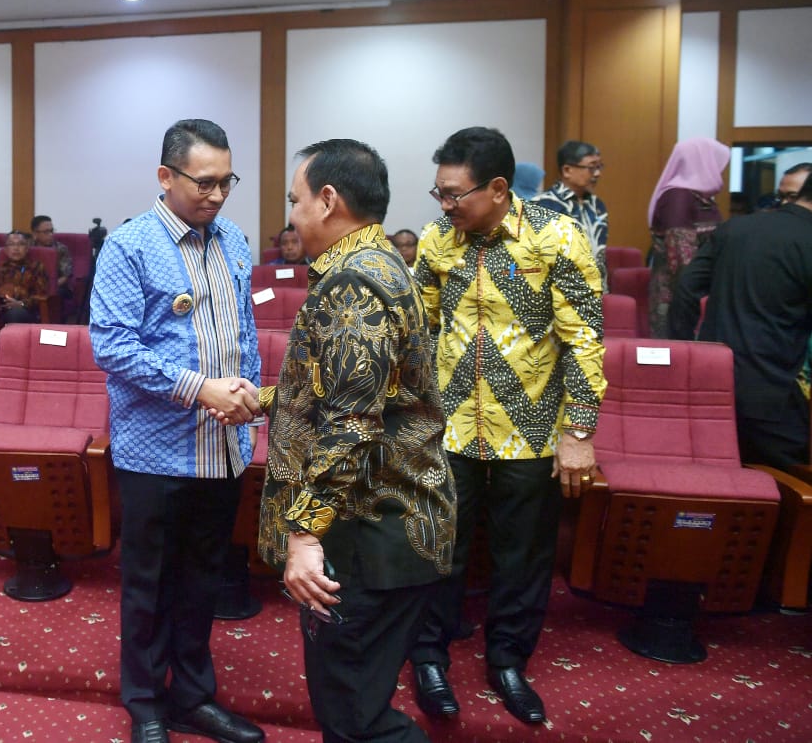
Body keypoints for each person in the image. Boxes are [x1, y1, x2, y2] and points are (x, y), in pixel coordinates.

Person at [255, 139, 455, 742]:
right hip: (389, 520)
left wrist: (304, 534)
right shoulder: (380, 262)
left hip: (371, 531)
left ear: (328, 200)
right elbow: (364, 392)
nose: (292, 215)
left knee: (354, 719)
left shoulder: (351, 283)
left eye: (295, 200)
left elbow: (350, 424)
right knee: (351, 705)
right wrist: (262, 400)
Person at [411, 126, 605, 726]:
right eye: (439, 193)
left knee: (522, 554)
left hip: (531, 426)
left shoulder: (557, 237)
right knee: (437, 546)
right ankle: (428, 658)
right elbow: (420, 329)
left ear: (497, 188)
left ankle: (508, 661)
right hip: (449, 427)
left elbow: (583, 338)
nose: (445, 205)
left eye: (455, 194)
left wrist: (579, 432)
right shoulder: (437, 239)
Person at [89, 119, 264, 743]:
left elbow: (244, 332)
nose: (217, 195)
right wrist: (199, 388)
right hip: (155, 450)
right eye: (204, 182)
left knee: (202, 579)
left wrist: (248, 397)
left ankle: (193, 696)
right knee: (149, 584)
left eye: (227, 182)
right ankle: (144, 702)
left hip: (222, 445)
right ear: (166, 176)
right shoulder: (129, 245)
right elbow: (112, 346)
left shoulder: (234, 239)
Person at [670, 166, 812, 469]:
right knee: (786, 483)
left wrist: (685, 352)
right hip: (773, 393)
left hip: (708, 381)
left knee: (713, 477)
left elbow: (686, 289)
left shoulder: (736, 228)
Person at [646, 137, 729, 338]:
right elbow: (682, 258)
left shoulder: (698, 197)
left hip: (696, 294)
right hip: (679, 299)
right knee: (679, 352)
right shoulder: (677, 197)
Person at [533, 141, 608, 288]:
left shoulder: (597, 205)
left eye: (599, 166)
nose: (597, 173)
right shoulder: (543, 205)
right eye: (591, 167)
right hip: (558, 293)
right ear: (567, 170)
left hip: (596, 290)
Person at [0, 230, 49, 324]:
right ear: (6, 250)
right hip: (0, 310)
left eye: (21, 244)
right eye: (12, 244)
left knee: (15, 314)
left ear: (27, 248)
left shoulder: (36, 267)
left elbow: (41, 295)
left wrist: (21, 303)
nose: (16, 248)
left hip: (26, 310)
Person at [30, 215, 73, 292]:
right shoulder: (28, 248)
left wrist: (49, 287)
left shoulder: (61, 249)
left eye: (51, 231)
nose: (50, 235)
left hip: (56, 286)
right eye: (46, 232)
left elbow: (65, 276)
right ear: (35, 233)